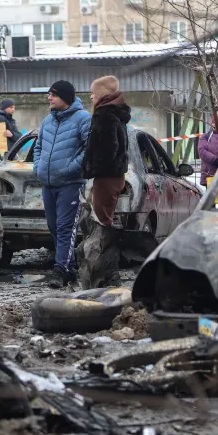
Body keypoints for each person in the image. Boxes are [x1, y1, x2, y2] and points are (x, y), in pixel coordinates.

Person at [33, 80, 91, 288]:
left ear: (66, 98)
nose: (49, 98)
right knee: (53, 227)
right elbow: (38, 147)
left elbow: (89, 149)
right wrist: (38, 168)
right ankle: (71, 268)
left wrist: (71, 168)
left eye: (54, 95)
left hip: (71, 183)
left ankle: (59, 271)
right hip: (48, 184)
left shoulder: (82, 118)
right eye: (49, 94)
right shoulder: (48, 121)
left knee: (65, 227)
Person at [78, 75, 130, 289]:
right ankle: (106, 274)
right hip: (111, 176)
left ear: (102, 95)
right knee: (103, 222)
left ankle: (106, 274)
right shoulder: (115, 115)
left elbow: (107, 150)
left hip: (105, 177)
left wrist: (90, 168)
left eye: (94, 93)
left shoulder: (104, 116)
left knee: (102, 224)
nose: (91, 97)